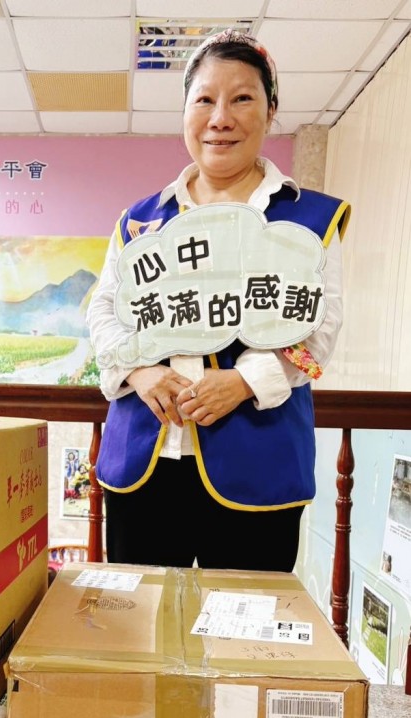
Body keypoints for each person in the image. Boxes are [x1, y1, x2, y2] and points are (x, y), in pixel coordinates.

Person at [86, 29, 351, 572]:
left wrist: (245, 381)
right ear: (185, 111)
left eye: (242, 98)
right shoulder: (140, 221)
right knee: (147, 619)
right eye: (204, 99)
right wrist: (138, 370)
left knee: (243, 617)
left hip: (259, 459)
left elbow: (318, 335)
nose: (220, 118)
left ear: (270, 110)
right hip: (145, 457)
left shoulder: (309, 221)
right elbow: (103, 310)